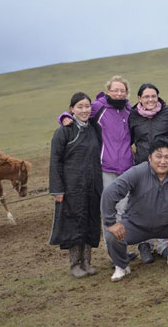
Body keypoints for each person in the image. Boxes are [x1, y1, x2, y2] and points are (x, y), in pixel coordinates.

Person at [101, 140, 168, 282]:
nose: (163, 161)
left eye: (167, 157)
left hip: (167, 224)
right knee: (111, 234)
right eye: (158, 156)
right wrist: (110, 222)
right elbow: (110, 193)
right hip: (136, 225)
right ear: (150, 157)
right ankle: (121, 265)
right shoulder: (137, 172)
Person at [58, 76, 137, 260]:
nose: (119, 93)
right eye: (115, 90)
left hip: (126, 167)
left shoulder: (128, 110)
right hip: (105, 168)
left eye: (122, 90)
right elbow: (79, 112)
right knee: (109, 211)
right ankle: (113, 255)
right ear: (108, 91)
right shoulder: (98, 107)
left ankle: (122, 250)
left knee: (124, 210)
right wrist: (64, 117)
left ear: (126, 93)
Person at [49, 92, 103, 278]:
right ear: (71, 109)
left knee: (90, 222)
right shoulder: (64, 131)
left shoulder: (94, 128)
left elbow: (103, 101)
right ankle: (75, 265)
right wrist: (57, 190)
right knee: (75, 224)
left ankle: (87, 262)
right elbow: (55, 161)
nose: (84, 110)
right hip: (72, 187)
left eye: (87, 106)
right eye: (79, 107)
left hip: (93, 184)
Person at [129, 83, 168, 263]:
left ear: (158, 97)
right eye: (146, 97)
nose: (150, 100)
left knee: (166, 204)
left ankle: (165, 244)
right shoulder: (132, 116)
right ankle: (145, 245)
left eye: (153, 96)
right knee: (143, 206)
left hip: (166, 165)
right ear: (139, 99)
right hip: (142, 165)